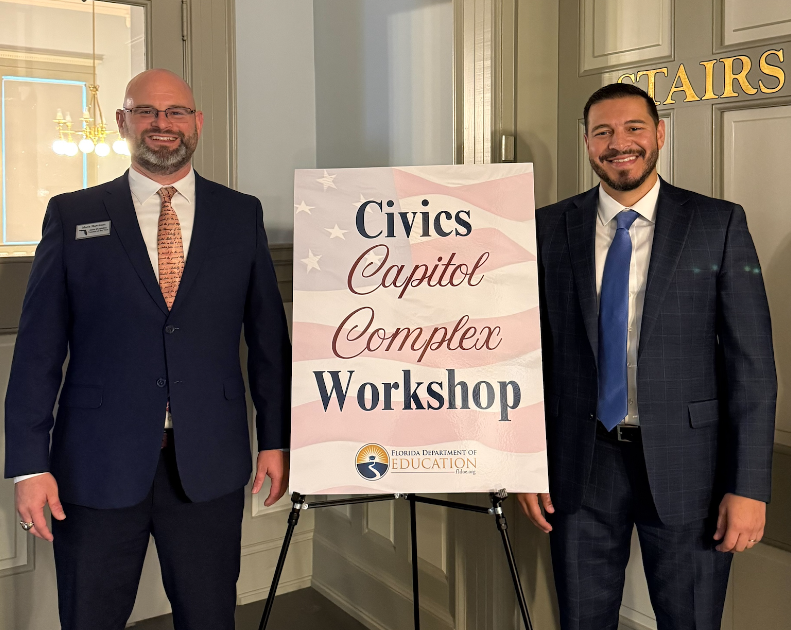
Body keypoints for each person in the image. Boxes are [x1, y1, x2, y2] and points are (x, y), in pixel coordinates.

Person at [4, 69, 291, 630]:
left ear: (197, 122)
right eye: (147, 112)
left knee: (209, 618)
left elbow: (267, 341)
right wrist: (27, 465)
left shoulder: (240, 215)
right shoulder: (73, 213)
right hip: (96, 463)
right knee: (90, 617)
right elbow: (38, 349)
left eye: (176, 112)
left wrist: (275, 441)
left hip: (208, 461)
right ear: (123, 122)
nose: (163, 124)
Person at [518, 83, 776, 630]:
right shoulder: (545, 229)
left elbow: (752, 368)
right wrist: (523, 463)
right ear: (587, 143)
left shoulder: (718, 224)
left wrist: (749, 485)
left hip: (693, 469)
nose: (619, 143)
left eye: (634, 128)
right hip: (578, 465)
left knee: (691, 620)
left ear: (659, 134)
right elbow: (526, 358)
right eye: (603, 132)